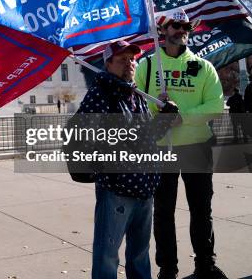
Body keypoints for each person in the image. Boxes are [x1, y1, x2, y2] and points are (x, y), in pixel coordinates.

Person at [135, 9, 227, 279]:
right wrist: (159, 119)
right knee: (163, 212)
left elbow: (215, 105)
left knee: (201, 209)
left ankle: (205, 265)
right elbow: (136, 106)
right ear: (163, 31)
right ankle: (167, 269)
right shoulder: (148, 65)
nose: (182, 30)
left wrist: (182, 118)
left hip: (197, 147)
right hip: (161, 149)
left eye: (186, 26)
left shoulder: (202, 66)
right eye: (176, 25)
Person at [76, 40, 179, 279]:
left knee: (140, 255)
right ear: (108, 63)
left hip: (144, 188)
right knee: (107, 255)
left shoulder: (135, 94)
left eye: (132, 59)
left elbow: (146, 138)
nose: (129, 63)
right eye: (122, 59)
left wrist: (164, 120)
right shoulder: (101, 93)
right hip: (117, 190)